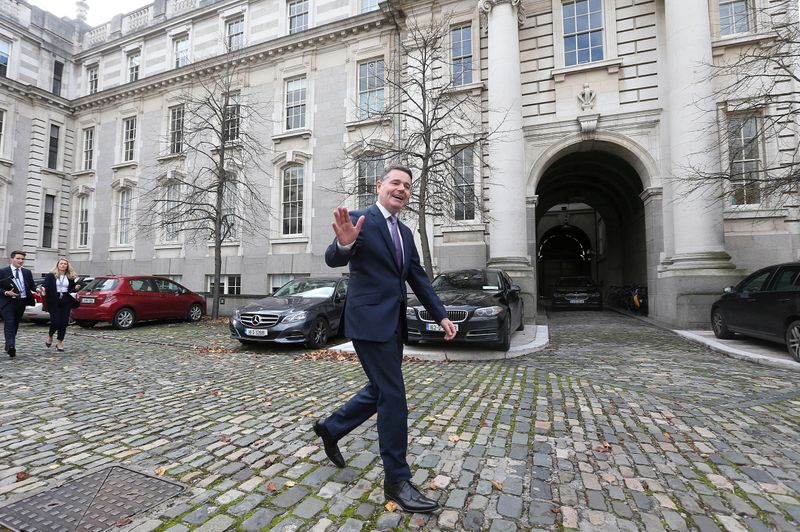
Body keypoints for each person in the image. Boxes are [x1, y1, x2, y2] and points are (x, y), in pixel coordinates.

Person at [314, 166, 457, 513]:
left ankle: (331, 428)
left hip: (394, 325)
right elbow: (334, 255)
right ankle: (396, 480)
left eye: (407, 186)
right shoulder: (360, 219)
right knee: (393, 397)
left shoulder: (405, 234)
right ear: (379, 186)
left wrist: (439, 314)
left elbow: (418, 278)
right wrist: (345, 244)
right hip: (367, 323)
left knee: (380, 390)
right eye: (395, 183)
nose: (402, 189)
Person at [0, 251, 36, 358]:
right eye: (18, 258)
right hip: (8, 301)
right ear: (12, 259)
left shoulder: (27, 272)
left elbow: (32, 286)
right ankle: (11, 346)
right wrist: (6, 292)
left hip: (21, 301)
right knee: (10, 322)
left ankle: (8, 344)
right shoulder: (3, 271)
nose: (21, 261)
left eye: (22, 259)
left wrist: (39, 289)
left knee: (15, 324)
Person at [40, 258, 81, 352]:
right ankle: (50, 335)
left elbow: (73, 288)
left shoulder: (70, 277)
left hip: (66, 299)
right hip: (54, 300)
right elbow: (45, 286)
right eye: (61, 263)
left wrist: (77, 288)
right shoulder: (51, 275)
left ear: (67, 266)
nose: (63, 265)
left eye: (65, 264)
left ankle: (60, 341)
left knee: (64, 322)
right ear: (57, 265)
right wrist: (42, 290)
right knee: (56, 321)